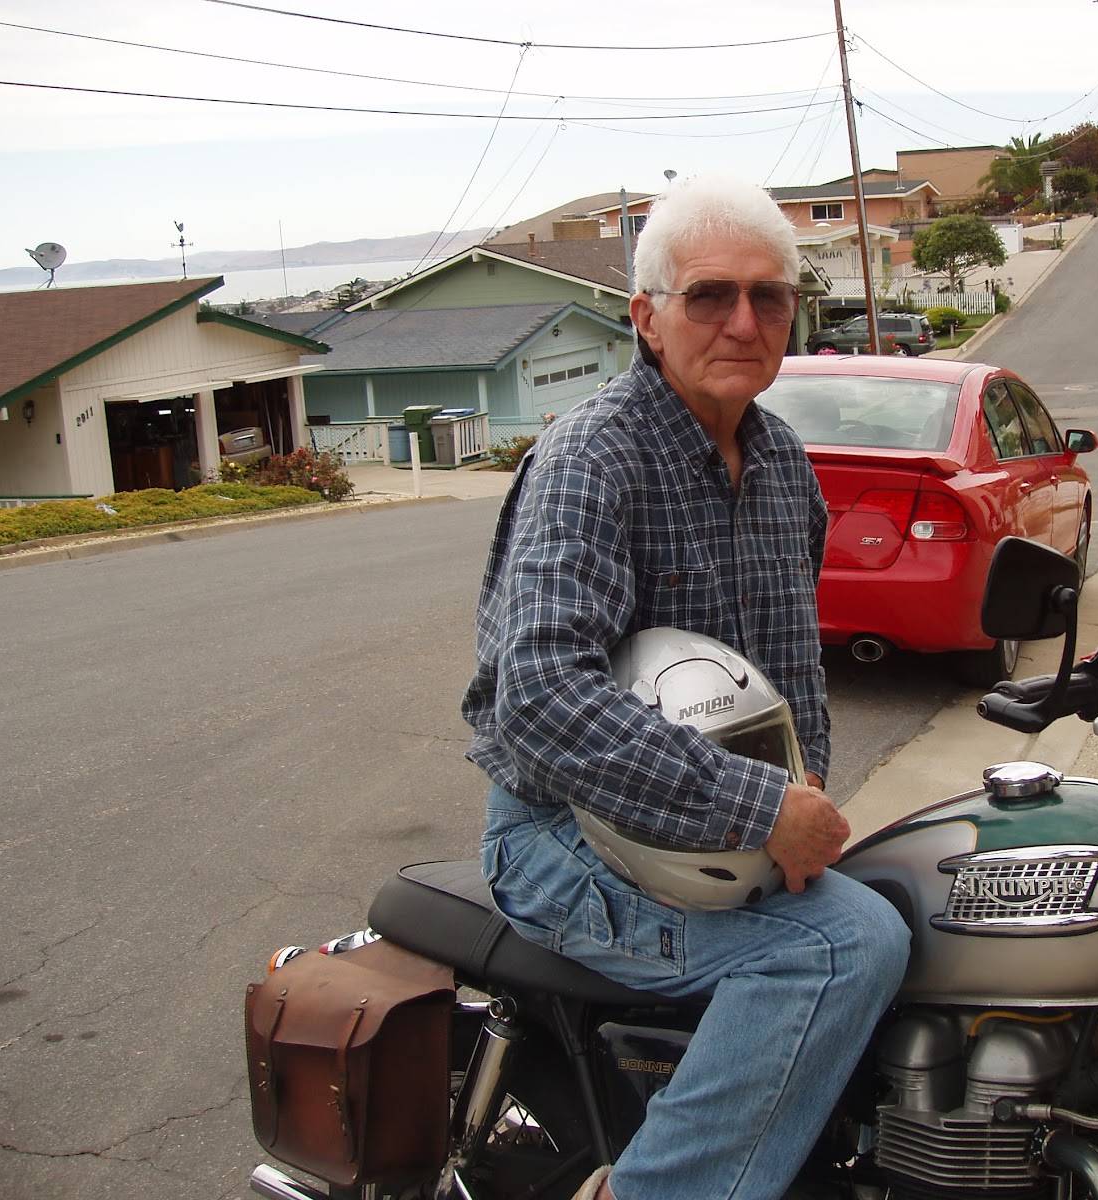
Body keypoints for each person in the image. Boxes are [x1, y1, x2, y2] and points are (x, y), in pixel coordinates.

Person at [461, 174, 911, 1200]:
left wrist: (800, 810)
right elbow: (537, 689)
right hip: (560, 838)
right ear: (646, 316)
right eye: (709, 295)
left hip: (708, 845)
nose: (742, 320)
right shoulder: (593, 456)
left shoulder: (784, 461)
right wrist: (760, 809)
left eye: (770, 296)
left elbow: (793, 678)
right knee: (843, 948)